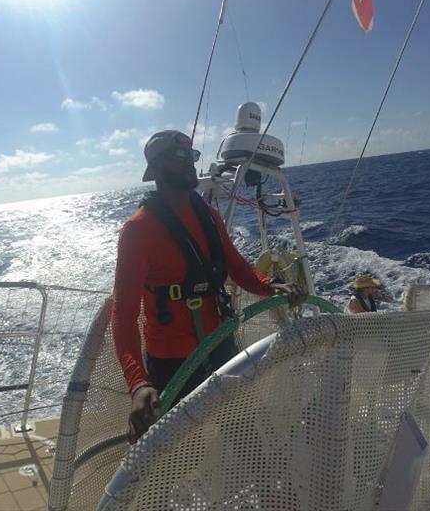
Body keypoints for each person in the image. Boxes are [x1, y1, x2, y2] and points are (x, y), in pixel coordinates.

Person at [111, 130, 305, 443]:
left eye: (192, 155)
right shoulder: (138, 230)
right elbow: (123, 315)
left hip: (219, 343)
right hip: (173, 363)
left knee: (243, 431)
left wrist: (271, 286)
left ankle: (257, 483)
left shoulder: (209, 216)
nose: (189, 162)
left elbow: (238, 268)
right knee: (175, 449)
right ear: (157, 169)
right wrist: (138, 383)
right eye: (179, 157)